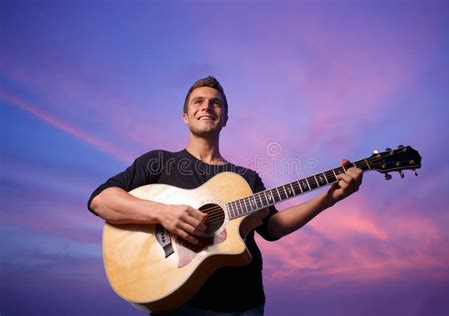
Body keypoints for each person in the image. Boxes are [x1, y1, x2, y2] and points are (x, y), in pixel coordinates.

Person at [88, 76, 363, 315]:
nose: (206, 106)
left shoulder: (245, 178)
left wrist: (328, 199)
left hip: (242, 305)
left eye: (215, 103)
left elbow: (272, 228)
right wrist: (164, 213)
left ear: (225, 119)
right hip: (174, 304)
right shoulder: (157, 162)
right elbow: (102, 200)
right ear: (185, 115)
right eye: (198, 101)